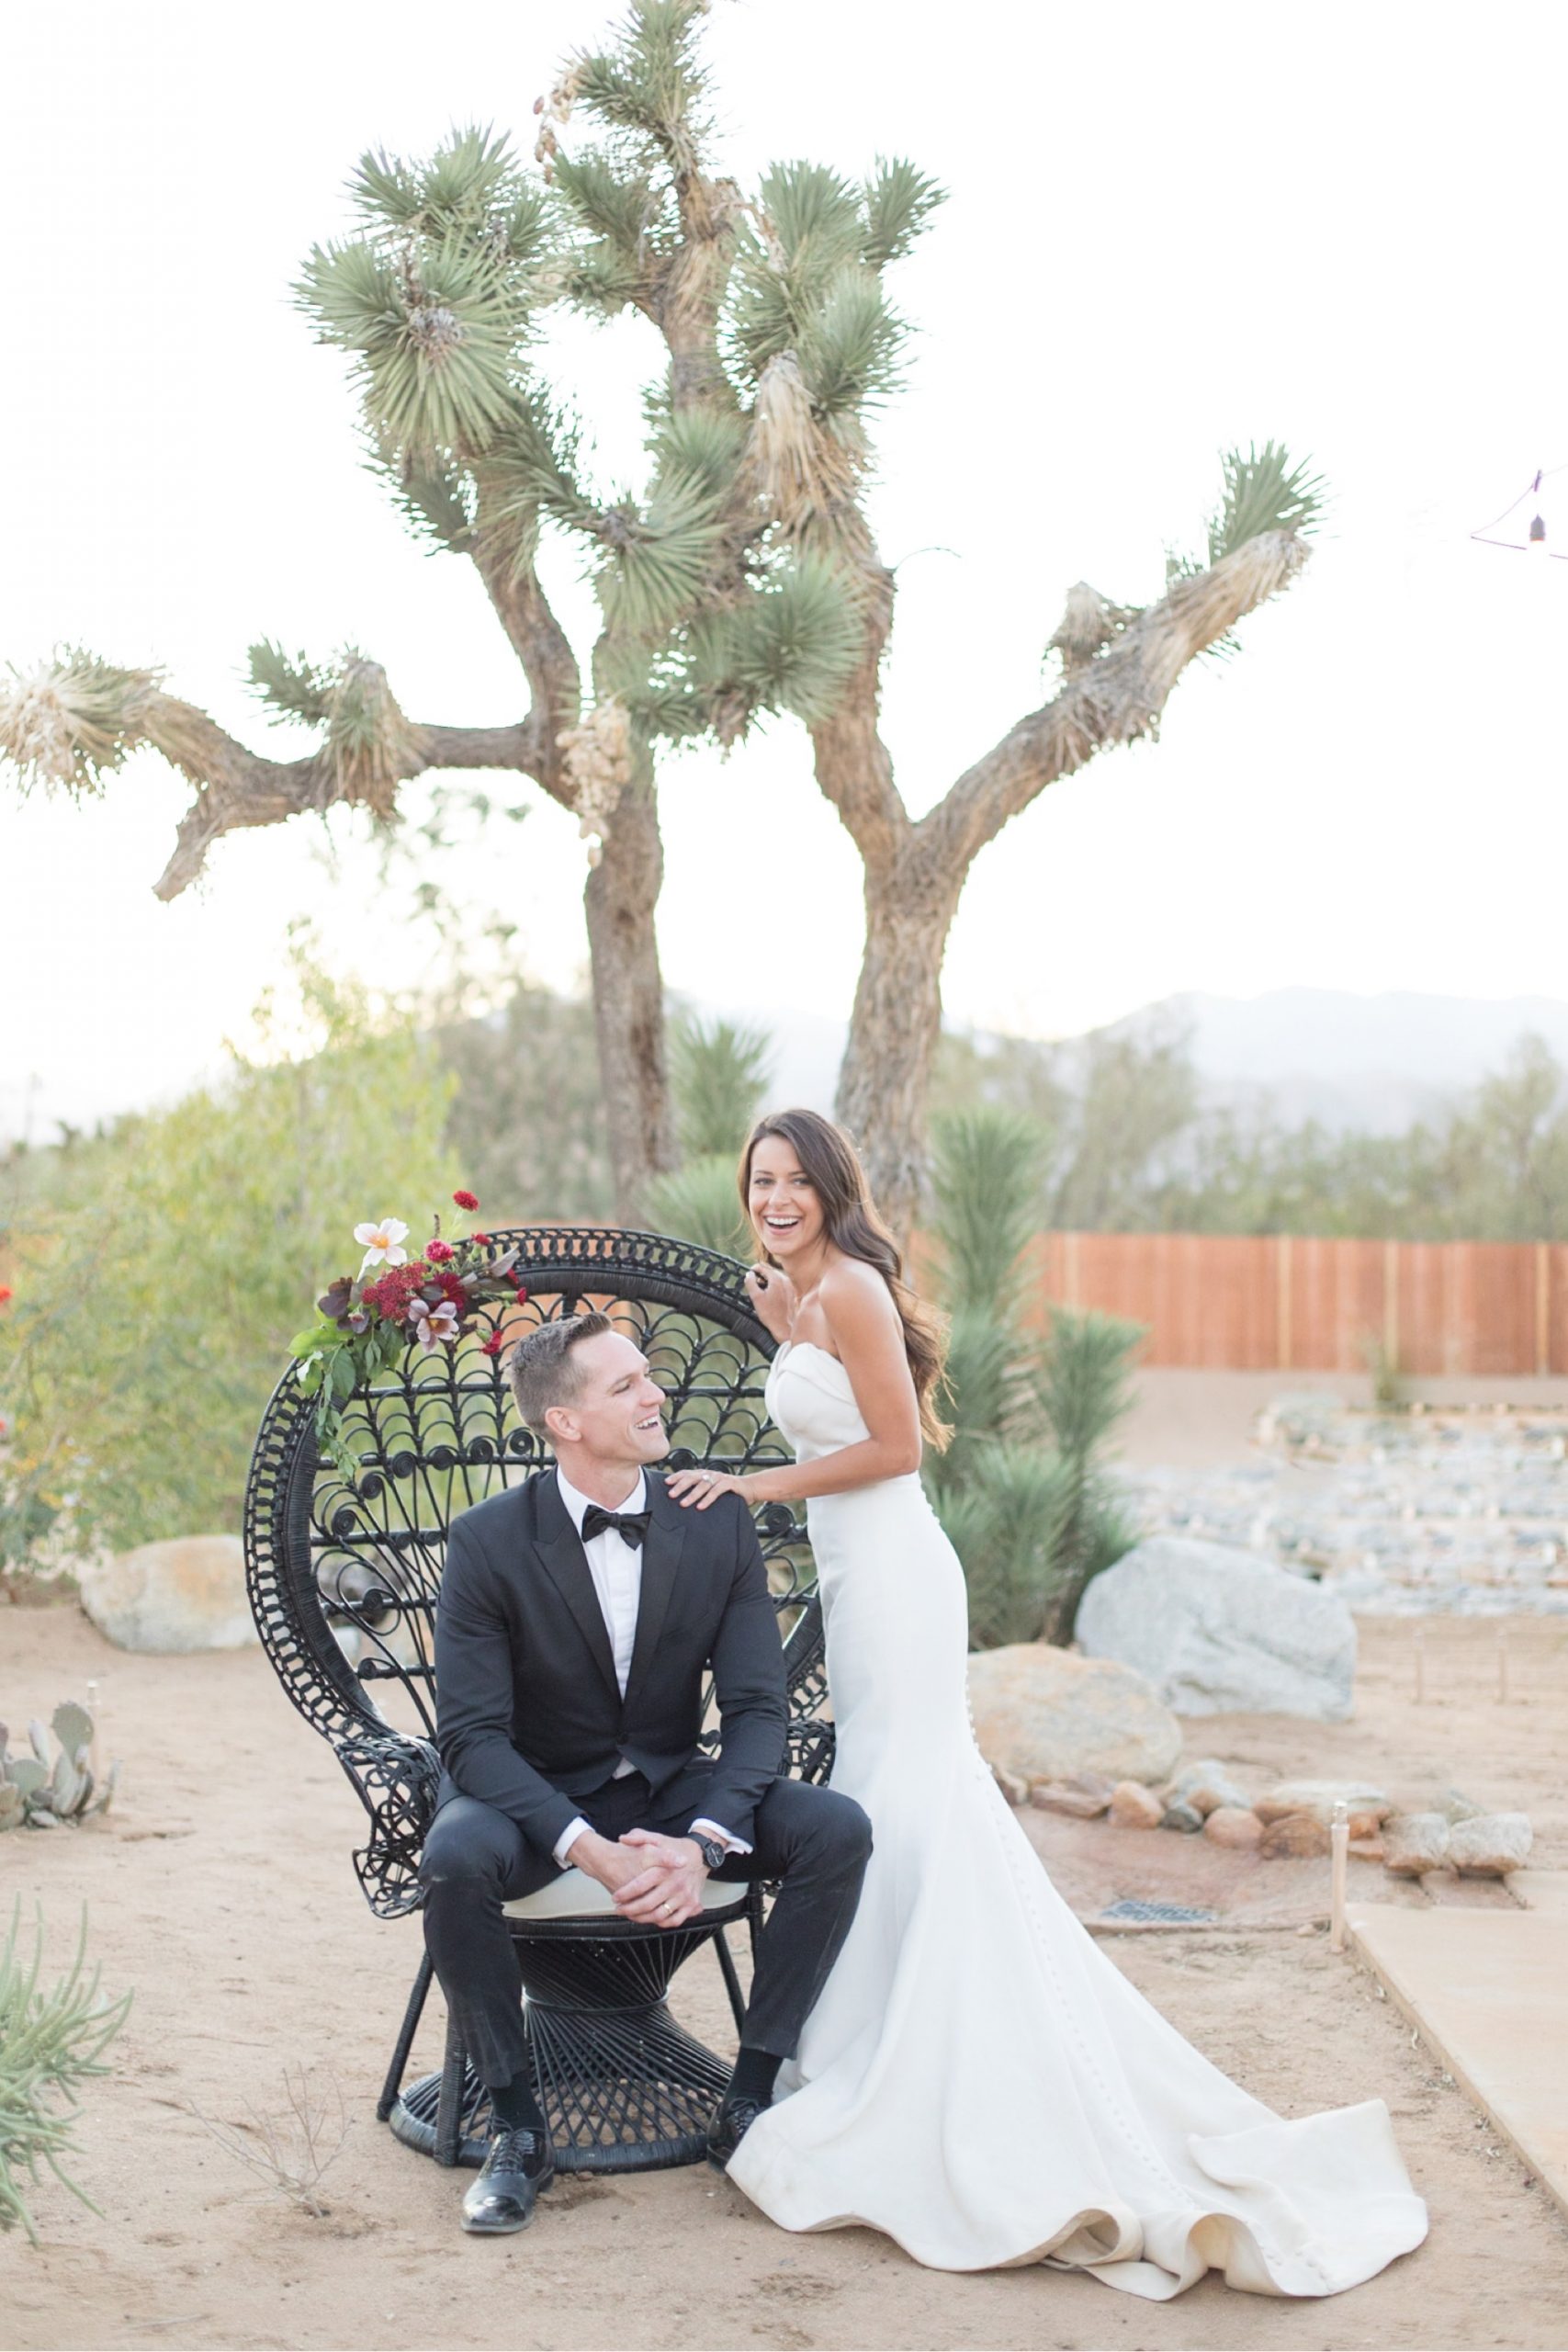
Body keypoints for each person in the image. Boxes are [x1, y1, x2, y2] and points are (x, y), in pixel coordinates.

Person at [664, 1107, 1428, 2299]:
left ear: (829, 1189)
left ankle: (922, 2058)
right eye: (758, 1179)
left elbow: (897, 1451)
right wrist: (783, 1327)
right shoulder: (809, 1296)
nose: (772, 1197)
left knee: (914, 1790)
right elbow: (837, 1396)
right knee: (882, 1788)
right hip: (855, 1578)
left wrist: (749, 1476)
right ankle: (861, 2049)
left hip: (898, 1571)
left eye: (792, 1180)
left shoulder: (856, 1287)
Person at [422, 1311, 873, 2236]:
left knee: (835, 1828)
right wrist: (586, 1847)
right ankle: (515, 2127)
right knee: (455, 1852)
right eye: (625, 1385)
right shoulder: (488, 1540)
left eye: (650, 1375)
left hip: (673, 1792)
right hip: (536, 1800)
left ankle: (746, 2098)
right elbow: (471, 1738)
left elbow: (757, 1713)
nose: (655, 1393)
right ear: (566, 1422)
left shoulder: (714, 1525)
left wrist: (701, 1841)